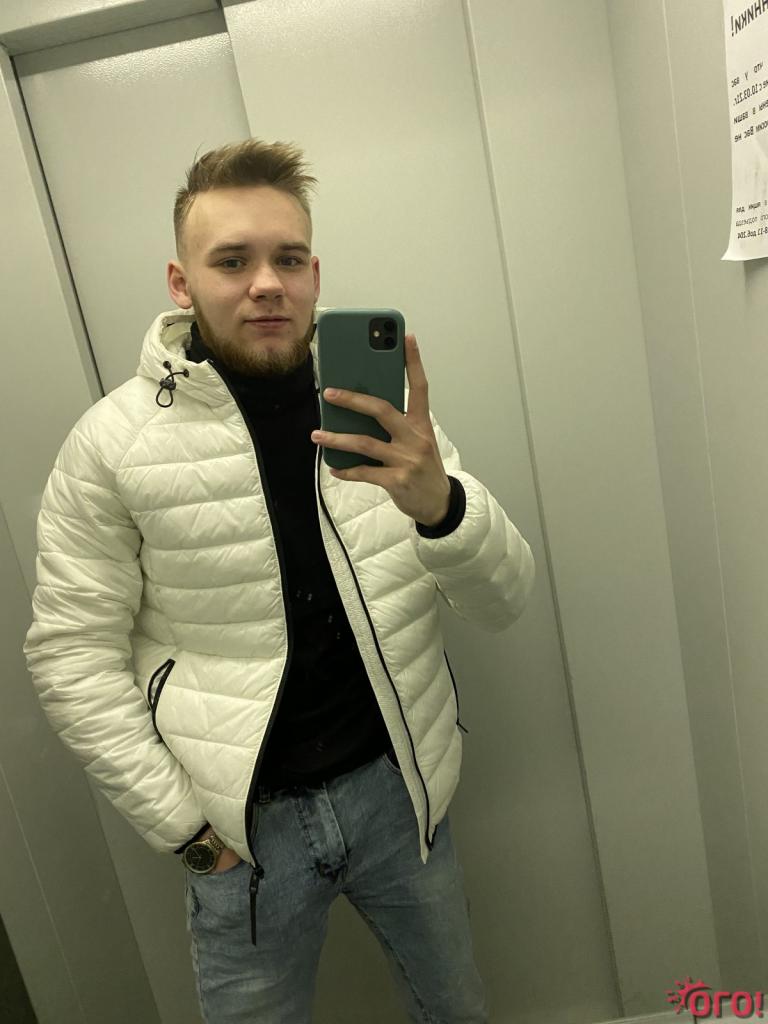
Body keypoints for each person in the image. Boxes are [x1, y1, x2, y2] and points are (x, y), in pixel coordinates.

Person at [23, 138, 535, 1023]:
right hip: (244, 833)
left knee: (456, 1010)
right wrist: (188, 833)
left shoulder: (382, 415)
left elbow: (504, 598)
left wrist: (441, 506)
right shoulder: (111, 446)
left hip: (399, 794)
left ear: (314, 273)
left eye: (288, 259)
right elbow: (71, 654)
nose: (267, 283)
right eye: (233, 261)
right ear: (182, 282)